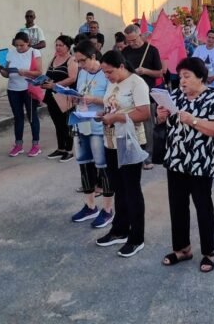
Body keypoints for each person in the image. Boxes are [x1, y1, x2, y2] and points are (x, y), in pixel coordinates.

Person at [157, 57, 214, 273]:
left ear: (200, 77)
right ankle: (182, 249)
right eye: (180, 77)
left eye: (187, 76)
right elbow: (166, 123)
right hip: (176, 160)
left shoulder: (213, 98)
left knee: (203, 207)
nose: (182, 81)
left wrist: (193, 120)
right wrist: (161, 116)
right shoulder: (176, 96)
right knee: (177, 206)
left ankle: (208, 252)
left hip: (200, 162)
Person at [96, 50, 151, 257]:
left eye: (109, 71)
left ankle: (136, 238)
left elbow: (144, 113)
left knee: (132, 190)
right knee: (118, 187)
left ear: (121, 66)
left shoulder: (137, 83)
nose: (107, 76)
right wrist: (104, 115)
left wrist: (117, 118)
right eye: (104, 72)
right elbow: (111, 106)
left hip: (129, 141)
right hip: (111, 141)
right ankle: (119, 230)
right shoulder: (112, 82)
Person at [69, 41, 115, 230]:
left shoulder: (107, 74)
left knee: (103, 168)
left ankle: (108, 209)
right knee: (84, 165)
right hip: (81, 123)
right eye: (78, 61)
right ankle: (90, 206)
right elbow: (81, 92)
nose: (80, 65)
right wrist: (76, 97)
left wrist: (94, 99)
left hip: (98, 127)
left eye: (83, 61)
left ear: (93, 56)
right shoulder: (82, 72)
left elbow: (113, 101)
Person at [122, 24, 163, 169]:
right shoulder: (125, 51)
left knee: (147, 127)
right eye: (128, 41)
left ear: (140, 35)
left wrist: (145, 71)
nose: (131, 43)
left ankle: (148, 156)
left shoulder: (151, 50)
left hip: (147, 94)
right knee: (131, 126)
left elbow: (159, 73)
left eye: (133, 40)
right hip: (128, 94)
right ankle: (134, 155)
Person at [0, 32, 43, 157]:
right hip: (13, 89)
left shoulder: (35, 52)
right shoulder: (10, 53)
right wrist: (1, 70)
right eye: (16, 45)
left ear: (28, 43)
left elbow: (39, 72)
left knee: (32, 116)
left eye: (21, 45)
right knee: (18, 117)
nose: (19, 48)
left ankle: (35, 145)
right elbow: (7, 74)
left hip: (28, 89)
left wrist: (26, 72)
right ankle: (18, 145)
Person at [41, 35, 79, 162]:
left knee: (66, 124)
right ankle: (60, 148)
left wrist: (55, 85)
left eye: (60, 45)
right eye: (56, 45)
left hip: (64, 96)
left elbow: (72, 78)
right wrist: (43, 82)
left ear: (67, 47)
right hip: (51, 96)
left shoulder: (71, 60)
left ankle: (69, 150)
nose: (57, 47)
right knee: (57, 124)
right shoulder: (54, 58)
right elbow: (48, 74)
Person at [192, 29, 214, 101]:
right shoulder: (199, 49)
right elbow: (194, 63)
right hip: (201, 82)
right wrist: (203, 77)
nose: (210, 39)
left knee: (213, 102)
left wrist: (213, 78)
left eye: (213, 38)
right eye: (209, 37)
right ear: (206, 37)